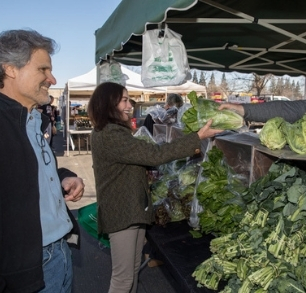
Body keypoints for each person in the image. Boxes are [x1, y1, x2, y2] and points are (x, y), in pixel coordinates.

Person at [87, 82, 222, 293]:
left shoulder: (110, 131)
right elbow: (155, 154)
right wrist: (198, 137)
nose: (129, 104)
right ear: (108, 104)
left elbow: (134, 160)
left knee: (131, 272)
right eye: (123, 100)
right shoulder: (110, 134)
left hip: (131, 208)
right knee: (123, 279)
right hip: (122, 211)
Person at [0, 29, 85, 293]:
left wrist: (63, 176)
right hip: (20, 274)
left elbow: (24, 171)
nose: (52, 78)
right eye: (43, 69)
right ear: (10, 69)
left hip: (60, 256)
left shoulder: (31, 120)